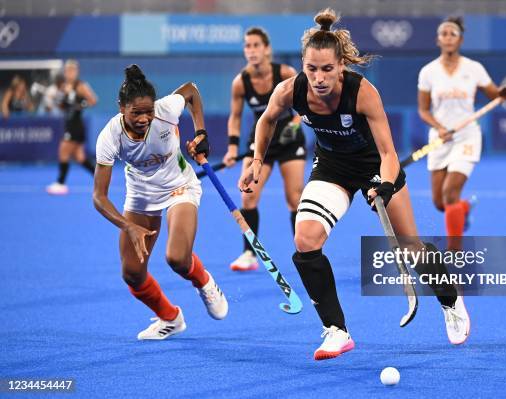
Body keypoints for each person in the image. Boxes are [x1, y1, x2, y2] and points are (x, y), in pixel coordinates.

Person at [239, 9, 467, 361]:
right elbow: (267, 120)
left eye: (327, 69)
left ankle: (449, 299)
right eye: (311, 68)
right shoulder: (290, 89)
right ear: (303, 64)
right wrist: (256, 161)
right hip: (332, 165)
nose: (318, 78)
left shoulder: (363, 93)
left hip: (375, 165)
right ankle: (336, 330)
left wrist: (387, 184)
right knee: (305, 240)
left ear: (341, 64)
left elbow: (389, 152)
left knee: (411, 248)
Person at [93, 64, 228, 340]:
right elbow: (99, 197)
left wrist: (201, 132)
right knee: (132, 273)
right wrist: (128, 226)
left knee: (177, 258)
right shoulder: (109, 136)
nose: (144, 118)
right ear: (121, 108)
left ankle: (205, 282)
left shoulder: (165, 110)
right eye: (136, 112)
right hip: (141, 195)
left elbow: (191, 90)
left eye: (148, 111)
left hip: (180, 186)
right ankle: (171, 318)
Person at [417, 17, 506, 250]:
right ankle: (465, 208)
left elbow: (494, 94)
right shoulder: (428, 72)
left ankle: (455, 252)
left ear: (460, 39)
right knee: (440, 203)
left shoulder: (474, 68)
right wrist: (439, 128)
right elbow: (423, 110)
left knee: (450, 193)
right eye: (444, 33)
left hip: (466, 137)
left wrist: (503, 92)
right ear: (438, 39)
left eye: (453, 33)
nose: (448, 37)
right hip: (440, 139)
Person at [222, 27, 307, 272]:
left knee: (294, 198)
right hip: (261, 142)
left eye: (256, 45)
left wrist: (295, 122)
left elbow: (306, 105)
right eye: (247, 46)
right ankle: (249, 254)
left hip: (290, 141)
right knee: (248, 196)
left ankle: (303, 254)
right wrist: (231, 148)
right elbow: (235, 117)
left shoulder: (286, 73)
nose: (251, 50)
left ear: (267, 49)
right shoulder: (240, 82)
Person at [47, 59, 98, 195]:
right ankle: (100, 177)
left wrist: (80, 105)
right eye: (67, 70)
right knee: (79, 156)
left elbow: (93, 100)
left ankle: (61, 183)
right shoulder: (63, 87)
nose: (69, 72)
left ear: (77, 72)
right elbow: (63, 107)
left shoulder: (80, 86)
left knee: (63, 151)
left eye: (72, 70)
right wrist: (57, 101)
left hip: (76, 125)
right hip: (68, 123)